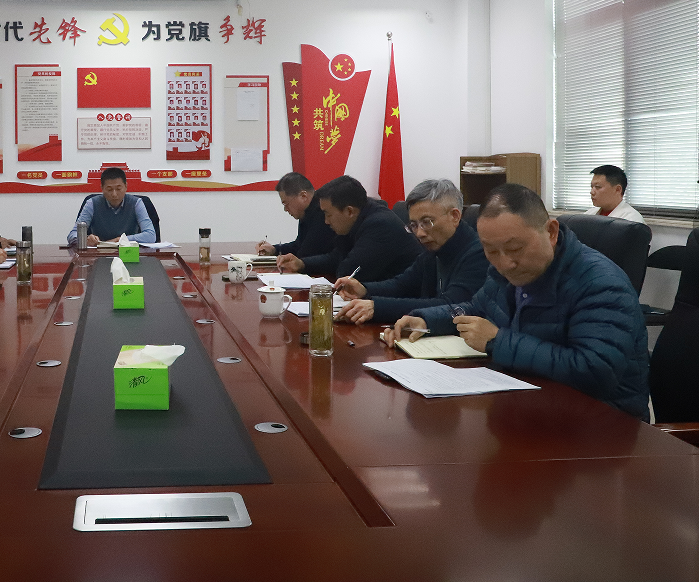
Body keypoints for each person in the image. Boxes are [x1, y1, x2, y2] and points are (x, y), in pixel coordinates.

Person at [384, 183, 649, 420]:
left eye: (515, 249)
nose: (505, 263)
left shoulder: (600, 283)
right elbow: (477, 308)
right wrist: (427, 320)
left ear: (551, 232)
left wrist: (497, 341)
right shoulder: (505, 270)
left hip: (599, 425)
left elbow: (594, 371)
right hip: (528, 406)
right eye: (491, 251)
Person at [336, 179, 488, 324]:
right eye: (414, 225)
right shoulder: (434, 249)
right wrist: (365, 289)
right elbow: (402, 285)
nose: (420, 233)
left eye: (427, 222)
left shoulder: (479, 254)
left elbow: (450, 305)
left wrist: (377, 307)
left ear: (455, 216)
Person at [277, 175, 421, 282]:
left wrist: (340, 246)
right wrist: (302, 264)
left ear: (349, 211)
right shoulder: (358, 217)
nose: (326, 221)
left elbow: (348, 273)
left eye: (328, 214)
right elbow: (335, 257)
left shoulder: (379, 225)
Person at [67, 167, 156, 246]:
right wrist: (86, 240)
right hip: (99, 253)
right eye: (109, 189)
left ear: (126, 186)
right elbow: (72, 235)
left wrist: (120, 240)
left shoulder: (136, 203)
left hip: (128, 252)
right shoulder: (92, 203)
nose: (114, 194)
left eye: (118, 189)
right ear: (102, 188)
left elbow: (151, 235)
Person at [254, 172, 334, 259]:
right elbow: (299, 245)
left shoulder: (323, 213)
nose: (285, 209)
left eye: (286, 204)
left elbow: (305, 253)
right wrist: (275, 249)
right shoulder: (306, 211)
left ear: (303, 196)